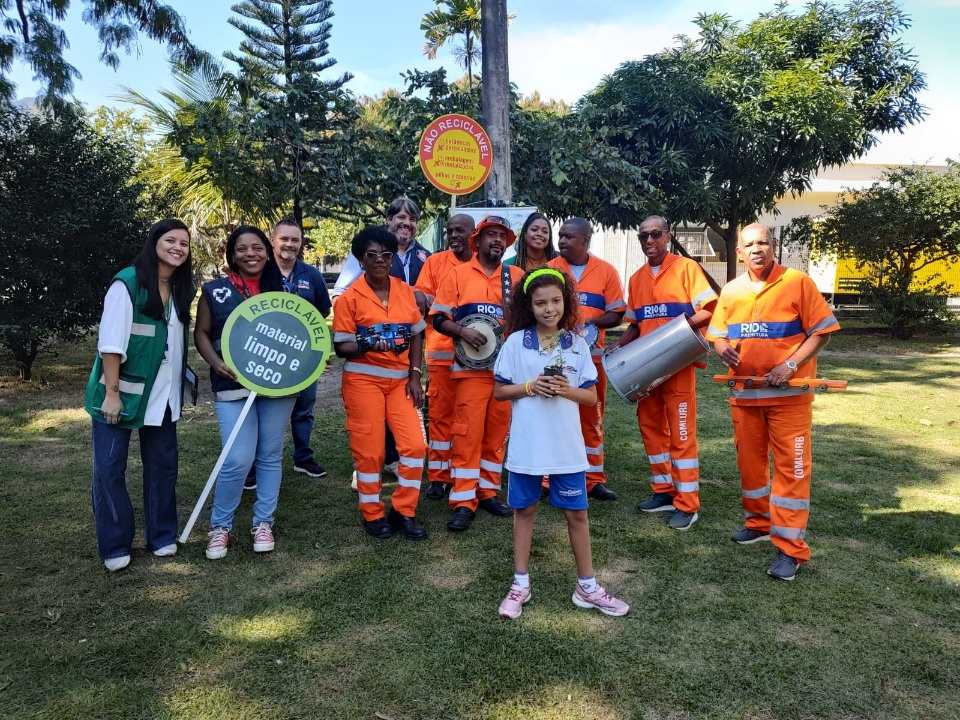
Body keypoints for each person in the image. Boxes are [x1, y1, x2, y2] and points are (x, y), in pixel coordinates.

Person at [492, 268, 630, 619]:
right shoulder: (515, 343)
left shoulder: (577, 344)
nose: (549, 309)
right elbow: (499, 391)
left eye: (556, 301)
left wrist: (565, 389)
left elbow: (590, 397)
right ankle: (520, 584)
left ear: (566, 302)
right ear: (529, 305)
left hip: (566, 448)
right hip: (527, 447)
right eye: (541, 303)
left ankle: (587, 587)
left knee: (577, 514)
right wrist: (530, 386)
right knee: (524, 511)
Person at [707, 223, 839, 581]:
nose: (756, 249)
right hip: (745, 396)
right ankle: (758, 523)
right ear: (739, 252)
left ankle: (790, 549)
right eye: (749, 244)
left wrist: (790, 364)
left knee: (791, 471)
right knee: (750, 467)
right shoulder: (731, 291)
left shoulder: (797, 282)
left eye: (763, 242)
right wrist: (722, 349)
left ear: (774, 245)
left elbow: (822, 331)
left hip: (789, 398)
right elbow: (717, 335)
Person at [84, 219, 193, 572]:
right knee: (109, 469)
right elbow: (111, 344)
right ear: (154, 242)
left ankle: (161, 536)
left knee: (163, 467)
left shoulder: (180, 287)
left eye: (184, 243)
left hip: (163, 397)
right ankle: (115, 544)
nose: (178, 247)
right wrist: (112, 394)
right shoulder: (128, 283)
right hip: (120, 395)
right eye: (170, 240)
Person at [194, 226, 291, 561]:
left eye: (257, 247)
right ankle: (220, 526)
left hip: (277, 386)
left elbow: (299, 334)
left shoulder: (280, 290)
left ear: (267, 251)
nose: (251, 254)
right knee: (237, 457)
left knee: (270, 455)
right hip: (232, 385)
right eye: (242, 248)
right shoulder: (216, 291)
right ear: (232, 255)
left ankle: (263, 523)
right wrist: (215, 362)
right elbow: (201, 333)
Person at [620, 215, 717, 531]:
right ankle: (663, 490)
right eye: (643, 236)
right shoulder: (636, 279)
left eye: (656, 234)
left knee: (681, 432)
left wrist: (678, 332)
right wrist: (618, 347)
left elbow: (709, 309)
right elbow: (636, 325)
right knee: (650, 428)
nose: (649, 240)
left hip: (678, 365)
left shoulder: (687, 268)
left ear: (668, 235)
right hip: (647, 369)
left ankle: (687, 503)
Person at [333, 226, 428, 540]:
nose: (379, 260)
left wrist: (415, 374)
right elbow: (341, 346)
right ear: (361, 260)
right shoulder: (349, 298)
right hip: (363, 381)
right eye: (371, 255)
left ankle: (404, 511)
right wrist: (370, 341)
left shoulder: (404, 291)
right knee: (370, 452)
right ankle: (372, 512)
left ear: (392, 258)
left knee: (415, 446)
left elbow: (416, 333)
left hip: (401, 382)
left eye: (385, 255)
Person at [430, 215, 523, 532]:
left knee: (497, 434)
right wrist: (462, 332)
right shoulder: (456, 275)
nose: (497, 240)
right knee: (467, 434)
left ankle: (488, 491)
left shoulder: (515, 277)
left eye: (502, 236)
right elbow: (438, 318)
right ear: (477, 240)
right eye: (491, 235)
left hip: (505, 372)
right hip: (469, 372)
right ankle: (463, 499)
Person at [548, 217, 625, 501]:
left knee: (592, 416)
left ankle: (593, 478)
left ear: (585, 240)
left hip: (591, 360)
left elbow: (617, 312)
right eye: (560, 235)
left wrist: (592, 322)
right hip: (553, 357)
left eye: (568, 236)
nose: (562, 240)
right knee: (553, 413)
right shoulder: (550, 270)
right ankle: (548, 478)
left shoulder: (606, 271)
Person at [413, 213, 475, 499]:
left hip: (476, 358)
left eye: (460, 230)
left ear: (474, 234)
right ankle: (439, 476)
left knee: (468, 418)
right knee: (440, 416)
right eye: (450, 231)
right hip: (441, 354)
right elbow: (422, 300)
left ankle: (464, 471)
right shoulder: (435, 263)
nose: (453, 236)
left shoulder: (483, 266)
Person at [270, 216, 332, 478]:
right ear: (273, 240)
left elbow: (323, 311)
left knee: (304, 406)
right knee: (269, 408)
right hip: (269, 352)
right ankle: (261, 462)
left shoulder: (311, 275)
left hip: (304, 353)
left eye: (295, 239)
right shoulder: (262, 271)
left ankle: (303, 458)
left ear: (301, 243)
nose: (289, 244)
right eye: (284, 238)